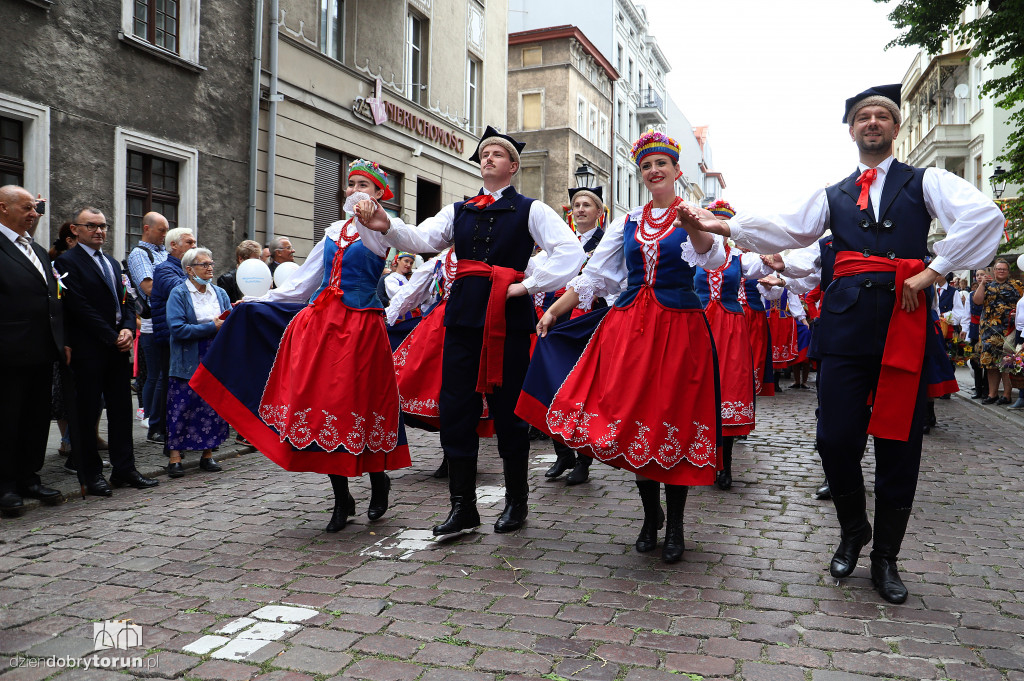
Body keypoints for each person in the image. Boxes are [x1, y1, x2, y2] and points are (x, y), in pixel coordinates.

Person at [678, 84, 1004, 603]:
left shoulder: (927, 180)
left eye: (881, 117)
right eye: (862, 117)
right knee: (834, 436)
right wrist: (718, 224)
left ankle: (886, 559)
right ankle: (854, 528)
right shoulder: (833, 194)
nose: (871, 123)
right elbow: (786, 228)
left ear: (895, 129)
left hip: (904, 316)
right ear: (851, 130)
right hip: (848, 323)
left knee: (900, 440)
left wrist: (934, 272)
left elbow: (987, 217)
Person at [358, 125, 586, 537]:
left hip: (508, 322)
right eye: (483, 154)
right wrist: (385, 225)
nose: (488, 159)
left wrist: (527, 285)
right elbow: (422, 238)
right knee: (456, 412)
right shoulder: (459, 210)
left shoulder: (531, 209)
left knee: (509, 416)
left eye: (496, 154)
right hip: (462, 320)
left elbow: (570, 251)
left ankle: (517, 501)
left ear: (513, 166)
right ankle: (462, 506)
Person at [517, 130, 727, 563]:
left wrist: (694, 228)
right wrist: (555, 311)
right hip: (631, 330)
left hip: (679, 330)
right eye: (646, 166)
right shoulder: (627, 221)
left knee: (672, 419)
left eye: (661, 165)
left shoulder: (694, 214)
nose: (653, 171)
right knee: (635, 419)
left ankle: (677, 526)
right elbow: (594, 274)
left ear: (676, 172)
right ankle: (651, 517)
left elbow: (713, 259)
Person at [192, 159, 410, 532]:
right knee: (323, 407)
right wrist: (257, 300)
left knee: (364, 405)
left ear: (378, 194)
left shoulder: (384, 230)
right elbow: (304, 284)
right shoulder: (331, 232)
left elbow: (405, 238)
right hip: (321, 328)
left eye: (364, 185)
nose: (355, 189)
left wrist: (376, 217)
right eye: (351, 183)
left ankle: (378, 479)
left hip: (361, 331)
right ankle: (342, 498)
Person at [56, 206, 159, 496]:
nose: (99, 231)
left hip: (117, 347)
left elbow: (127, 300)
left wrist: (128, 329)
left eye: (103, 226)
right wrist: (112, 336)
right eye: (91, 226)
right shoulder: (67, 262)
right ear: (75, 230)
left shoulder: (113, 263)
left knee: (121, 410)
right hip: (88, 349)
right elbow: (77, 306)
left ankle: (124, 469)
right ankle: (91, 474)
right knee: (88, 413)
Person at [0, 186, 64, 515]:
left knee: (36, 418)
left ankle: (29, 476)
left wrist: (61, 340)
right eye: (26, 207)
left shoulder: (37, 250)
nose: (33, 213)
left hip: (42, 350)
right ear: (3, 208)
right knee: (7, 418)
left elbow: (51, 298)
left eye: (35, 208)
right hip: (8, 353)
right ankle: (5, 485)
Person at [541, 185, 608, 486]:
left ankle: (583, 459)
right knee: (553, 381)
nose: (580, 209)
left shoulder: (606, 242)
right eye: (576, 205)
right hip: (557, 313)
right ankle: (562, 452)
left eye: (587, 205)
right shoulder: (560, 242)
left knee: (582, 386)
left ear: (599, 213)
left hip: (588, 316)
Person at [694, 200, 758, 492]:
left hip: (731, 328)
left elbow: (770, 272)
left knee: (728, 390)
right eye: (712, 221)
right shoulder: (692, 253)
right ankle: (698, 459)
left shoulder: (739, 259)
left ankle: (725, 465)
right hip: (699, 326)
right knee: (697, 391)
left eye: (722, 223)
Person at [165, 248, 230, 477]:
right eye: (204, 264)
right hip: (188, 356)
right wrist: (211, 327)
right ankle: (175, 458)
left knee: (211, 406)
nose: (210, 267)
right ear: (189, 270)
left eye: (211, 263)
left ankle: (208, 454)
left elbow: (227, 320)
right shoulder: (179, 293)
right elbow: (177, 329)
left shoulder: (220, 293)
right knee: (181, 406)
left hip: (215, 356)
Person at [149, 228, 197, 447]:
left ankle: (181, 426)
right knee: (168, 381)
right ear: (174, 246)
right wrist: (197, 275)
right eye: (189, 242)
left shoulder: (187, 270)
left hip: (187, 335)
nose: (194, 246)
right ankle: (158, 428)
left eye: (195, 242)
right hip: (168, 335)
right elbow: (182, 291)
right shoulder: (164, 269)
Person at [126, 213, 170, 433]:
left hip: (167, 319)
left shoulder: (164, 252)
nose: (165, 235)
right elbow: (149, 288)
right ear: (147, 229)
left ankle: (157, 416)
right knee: (155, 374)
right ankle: (149, 416)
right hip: (153, 322)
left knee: (163, 373)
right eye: (162, 230)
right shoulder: (139, 254)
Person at [48, 221, 77, 467]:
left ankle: (82, 438)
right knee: (65, 395)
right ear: (70, 240)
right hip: (64, 338)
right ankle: (69, 440)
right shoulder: (61, 265)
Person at [974, 260, 1023, 404]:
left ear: (1008, 271)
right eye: (998, 269)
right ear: (994, 271)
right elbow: (977, 301)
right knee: (991, 364)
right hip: (989, 329)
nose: (1001, 271)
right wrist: (982, 284)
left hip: (1008, 328)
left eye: (1004, 269)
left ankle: (1007, 395)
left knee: (1006, 362)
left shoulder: (1017, 285)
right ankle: (992, 393)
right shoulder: (987, 285)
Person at [384, 252, 423, 350]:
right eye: (406, 261)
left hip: (414, 316)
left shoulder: (410, 279)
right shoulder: (390, 278)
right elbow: (396, 293)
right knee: (398, 346)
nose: (408, 265)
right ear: (398, 260)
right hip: (400, 318)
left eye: (411, 263)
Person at [217, 239, 262, 304]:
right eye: (254, 259)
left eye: (259, 258)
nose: (257, 262)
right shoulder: (227, 279)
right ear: (240, 259)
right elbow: (223, 306)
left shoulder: (259, 278)